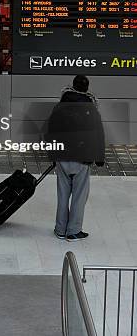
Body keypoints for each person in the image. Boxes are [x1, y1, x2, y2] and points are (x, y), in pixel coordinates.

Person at [46, 75, 105, 242]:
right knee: (79, 196)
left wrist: (53, 154)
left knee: (62, 195)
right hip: (82, 158)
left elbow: (51, 131)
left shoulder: (60, 105)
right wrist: (99, 158)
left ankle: (60, 229)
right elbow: (98, 134)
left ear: (73, 86)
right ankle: (73, 230)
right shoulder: (91, 108)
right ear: (86, 88)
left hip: (62, 157)